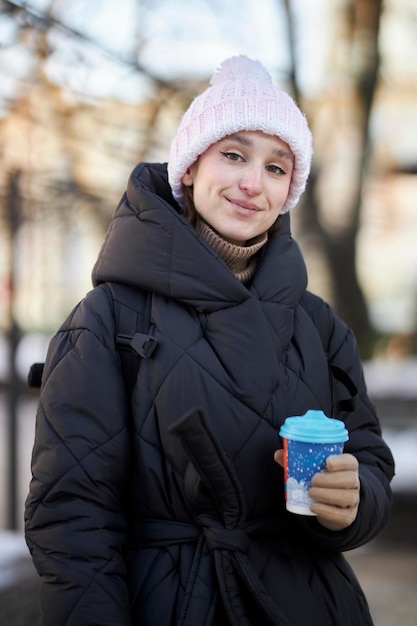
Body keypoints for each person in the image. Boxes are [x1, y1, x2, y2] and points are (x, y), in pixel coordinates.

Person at [25, 55, 395, 626]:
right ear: (190, 167)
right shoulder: (106, 319)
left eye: (277, 168)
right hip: (168, 604)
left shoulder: (318, 324)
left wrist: (353, 502)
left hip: (311, 604)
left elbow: (368, 459)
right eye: (233, 154)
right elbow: (72, 517)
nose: (254, 183)